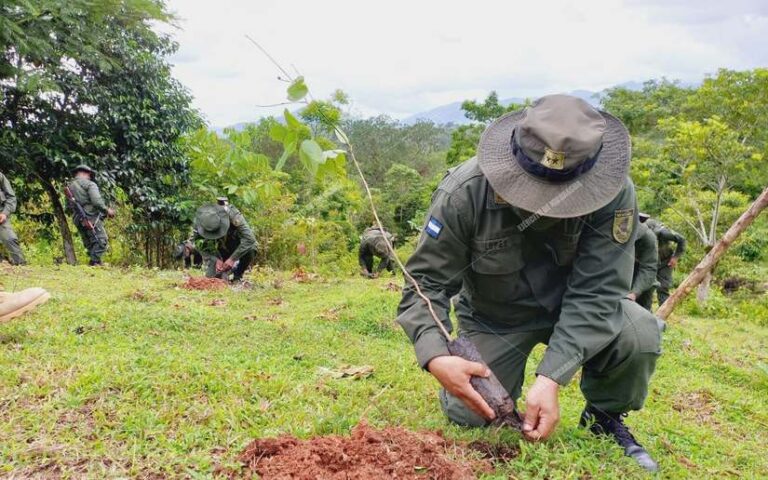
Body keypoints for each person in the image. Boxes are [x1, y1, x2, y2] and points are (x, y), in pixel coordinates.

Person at [397, 95, 663, 472]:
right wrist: (437, 356)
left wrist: (552, 376)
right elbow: (425, 282)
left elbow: (598, 292)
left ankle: (604, 417)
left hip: (574, 311)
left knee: (639, 334)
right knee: (471, 412)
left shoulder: (614, 194)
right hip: (495, 317)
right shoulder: (465, 192)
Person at [191, 202, 257, 282]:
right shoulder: (200, 221)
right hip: (217, 248)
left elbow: (250, 239)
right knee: (212, 279)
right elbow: (197, 243)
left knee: (251, 249)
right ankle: (223, 272)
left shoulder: (232, 215)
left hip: (234, 244)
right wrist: (214, 258)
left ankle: (237, 275)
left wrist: (232, 259)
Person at [67, 165, 115, 266]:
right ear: (85, 173)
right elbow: (97, 201)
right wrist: (107, 211)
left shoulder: (70, 186)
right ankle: (93, 263)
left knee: (89, 242)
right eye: (89, 175)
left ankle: (97, 262)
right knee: (101, 241)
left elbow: (68, 206)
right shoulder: (90, 184)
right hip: (90, 217)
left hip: (77, 218)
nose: (89, 177)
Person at [645, 217, 686, 306]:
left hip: (665, 261)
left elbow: (682, 239)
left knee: (663, 287)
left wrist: (675, 257)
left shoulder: (663, 233)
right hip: (649, 262)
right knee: (647, 288)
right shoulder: (640, 233)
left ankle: (663, 313)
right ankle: (646, 313)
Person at [628, 214, 659, 311]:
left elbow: (649, 268)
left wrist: (634, 293)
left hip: (644, 281)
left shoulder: (649, 237)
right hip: (624, 276)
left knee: (642, 312)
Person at [0, 170, 27, 265]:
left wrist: (4, 213)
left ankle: (21, 266)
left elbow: (11, 197)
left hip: (1, 216)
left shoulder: (0, 177)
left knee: (10, 239)